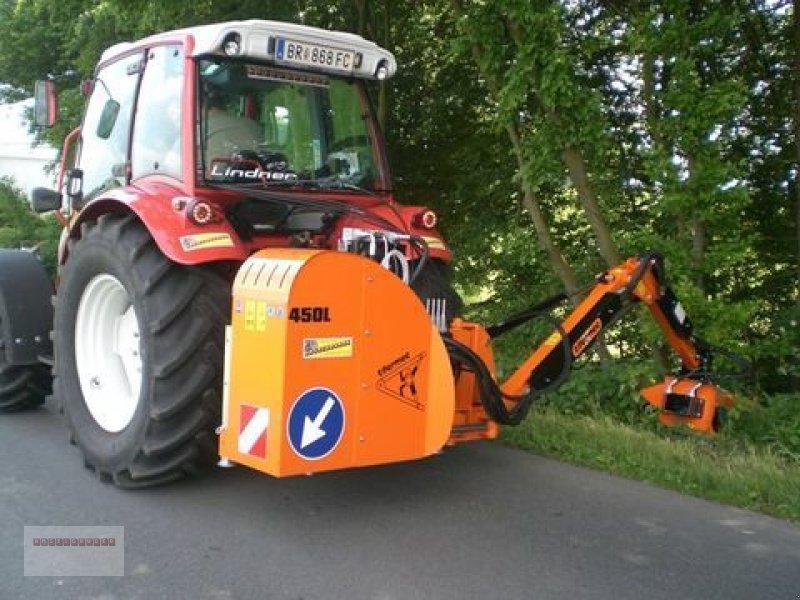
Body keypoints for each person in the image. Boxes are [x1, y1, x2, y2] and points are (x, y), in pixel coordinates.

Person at [204, 92, 263, 171]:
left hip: (215, 180)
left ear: (202, 107)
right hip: (259, 178)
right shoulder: (252, 124)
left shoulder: (200, 129)